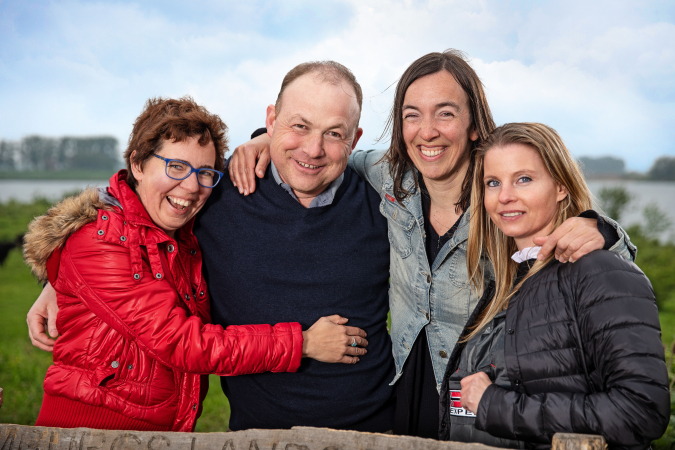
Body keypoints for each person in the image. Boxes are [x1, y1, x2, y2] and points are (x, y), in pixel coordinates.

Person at [227, 50, 636, 438]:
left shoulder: (501, 197)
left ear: (475, 124)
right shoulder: (388, 177)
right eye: (412, 116)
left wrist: (601, 229)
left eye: (445, 113)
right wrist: (266, 138)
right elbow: (321, 153)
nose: (428, 131)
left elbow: (595, 257)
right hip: (408, 388)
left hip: (481, 398)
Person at [28, 62, 396, 432]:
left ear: (355, 137)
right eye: (299, 125)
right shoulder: (215, 198)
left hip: (373, 431)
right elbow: (126, 214)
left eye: (334, 133)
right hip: (228, 434)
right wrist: (58, 278)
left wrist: (62, 277)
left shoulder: (387, 205)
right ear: (272, 120)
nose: (313, 148)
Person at [438, 122, 669, 448]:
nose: (504, 196)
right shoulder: (507, 283)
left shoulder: (599, 271)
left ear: (561, 186)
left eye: (524, 179)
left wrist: (497, 405)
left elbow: (641, 411)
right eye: (493, 182)